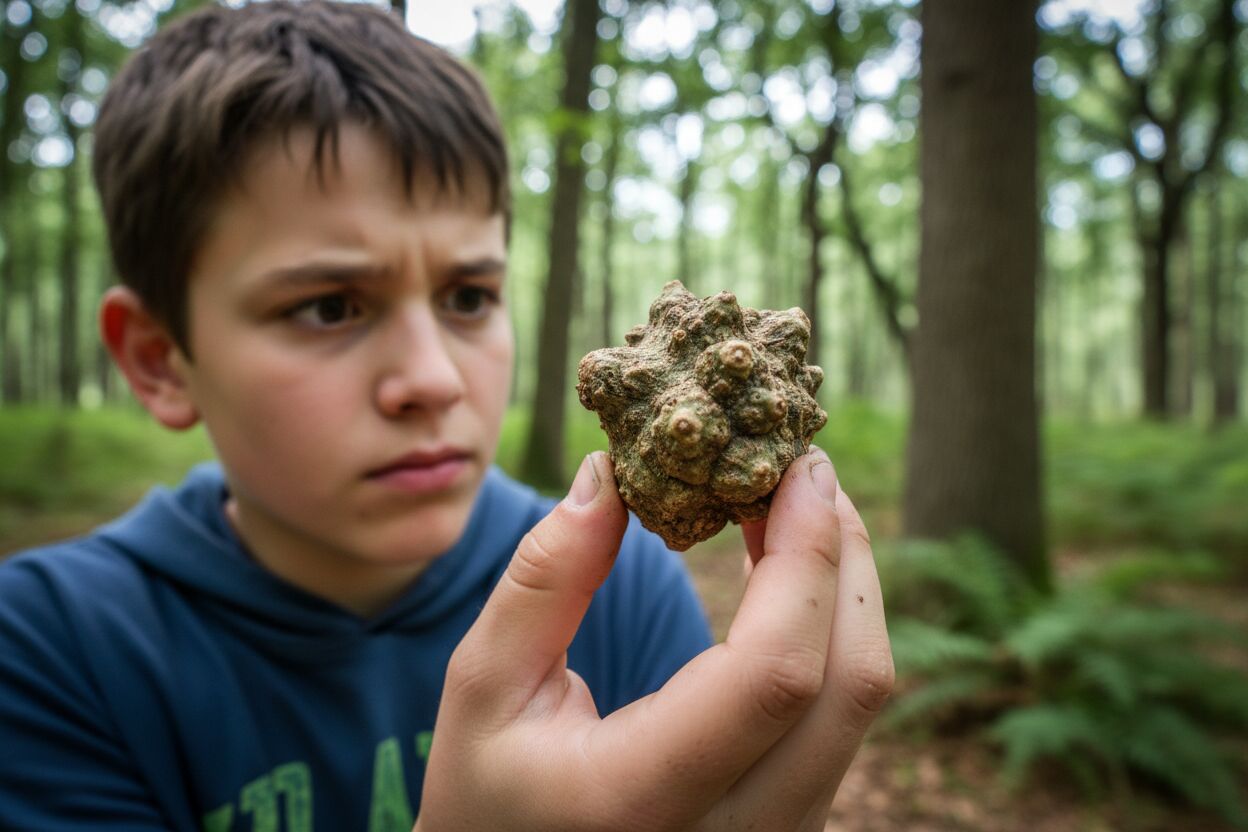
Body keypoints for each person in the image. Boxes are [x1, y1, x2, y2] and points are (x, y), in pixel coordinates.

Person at [0, 1, 893, 829]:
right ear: (160, 360)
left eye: (467, 295)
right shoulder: (45, 656)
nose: (433, 380)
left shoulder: (625, 590)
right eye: (329, 307)